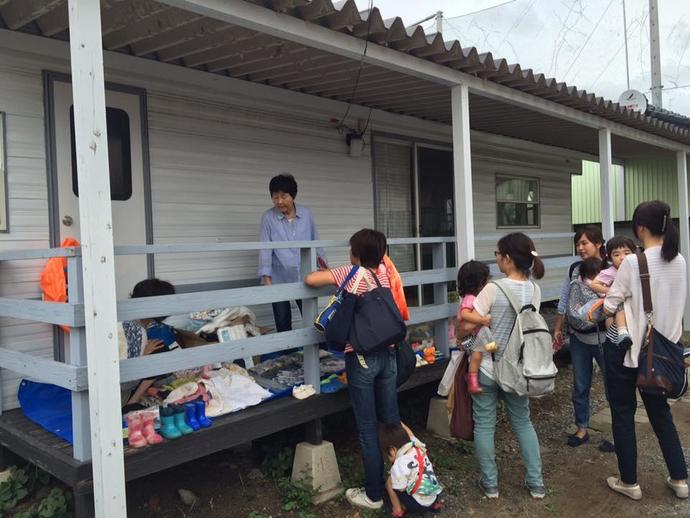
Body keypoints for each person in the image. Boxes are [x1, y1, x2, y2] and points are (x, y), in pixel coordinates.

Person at [305, 229, 401, 511]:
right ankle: (402, 483)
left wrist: (333, 270)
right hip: (389, 354)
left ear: (355, 253)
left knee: (368, 429)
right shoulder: (382, 273)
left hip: (361, 358)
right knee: (390, 421)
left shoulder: (352, 272)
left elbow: (310, 280)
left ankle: (374, 494)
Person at [603, 201, 688, 501]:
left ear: (640, 228)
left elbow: (611, 304)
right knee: (661, 414)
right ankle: (679, 479)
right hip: (664, 353)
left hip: (628, 352)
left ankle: (630, 482)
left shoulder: (632, 262)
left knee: (623, 414)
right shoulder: (679, 260)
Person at [463, 233, 546, 499]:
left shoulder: (493, 289)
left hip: (487, 365)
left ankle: (490, 485)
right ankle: (536, 483)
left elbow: (466, 324)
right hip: (518, 369)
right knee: (523, 422)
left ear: (508, 258)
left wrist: (482, 322)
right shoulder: (535, 289)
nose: (496, 259)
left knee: (485, 425)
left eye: (498, 254)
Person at [553, 226, 611, 449]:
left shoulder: (610, 269)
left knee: (612, 384)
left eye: (585, 242)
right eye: (578, 243)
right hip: (578, 336)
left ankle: (619, 432)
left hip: (606, 337)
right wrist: (558, 328)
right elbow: (564, 300)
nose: (580, 247)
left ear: (598, 243)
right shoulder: (575, 269)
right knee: (580, 384)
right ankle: (582, 428)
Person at [259, 173, 327, 334]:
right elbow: (265, 248)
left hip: (304, 276)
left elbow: (315, 241)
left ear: (293, 195)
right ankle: (287, 357)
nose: (279, 201)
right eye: (275, 197)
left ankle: (319, 355)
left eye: (284, 196)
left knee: (311, 318)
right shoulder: (268, 217)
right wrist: (266, 278)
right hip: (278, 277)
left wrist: (324, 268)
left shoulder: (306, 214)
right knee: (282, 321)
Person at [121, 278, 178, 409]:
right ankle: (131, 402)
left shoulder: (130, 319)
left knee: (158, 348)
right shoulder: (136, 329)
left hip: (123, 379)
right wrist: (144, 354)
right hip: (122, 387)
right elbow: (126, 375)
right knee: (160, 351)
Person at [378, 422, 443, 517]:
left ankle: (398, 510)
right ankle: (435, 505)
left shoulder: (399, 463)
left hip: (418, 505)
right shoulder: (417, 445)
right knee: (425, 474)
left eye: (388, 456)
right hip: (434, 495)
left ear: (392, 450)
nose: (388, 458)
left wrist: (395, 476)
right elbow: (411, 434)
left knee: (389, 482)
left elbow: (401, 489)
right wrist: (402, 424)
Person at [456, 260, 496, 394]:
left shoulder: (476, 297)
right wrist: (481, 320)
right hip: (469, 338)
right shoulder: (470, 299)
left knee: (491, 348)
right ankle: (471, 380)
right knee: (477, 354)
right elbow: (464, 314)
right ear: (480, 282)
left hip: (475, 337)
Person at [590, 236, 636, 348]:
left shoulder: (637, 268)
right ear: (610, 258)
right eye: (616, 255)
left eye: (627, 253)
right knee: (618, 311)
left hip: (633, 307)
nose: (622, 257)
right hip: (615, 306)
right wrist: (612, 291)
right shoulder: (610, 272)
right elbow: (594, 284)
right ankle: (621, 334)